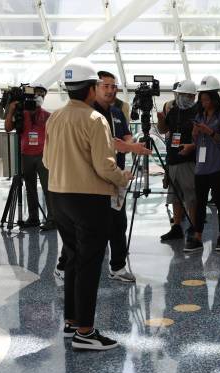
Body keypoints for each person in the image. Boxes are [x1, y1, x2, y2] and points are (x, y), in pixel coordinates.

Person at [44, 57, 133, 351]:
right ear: (91, 88)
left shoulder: (55, 117)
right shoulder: (95, 120)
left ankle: (71, 322)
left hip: (58, 196)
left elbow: (46, 160)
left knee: (71, 258)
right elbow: (104, 167)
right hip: (88, 200)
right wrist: (123, 177)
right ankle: (85, 332)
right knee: (89, 263)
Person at [92, 70, 151, 283]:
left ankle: (117, 267)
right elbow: (108, 142)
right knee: (91, 226)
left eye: (113, 86)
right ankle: (68, 267)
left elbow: (125, 135)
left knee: (118, 223)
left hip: (117, 178)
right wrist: (130, 146)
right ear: (95, 88)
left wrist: (129, 143)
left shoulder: (117, 111)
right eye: (105, 86)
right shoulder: (90, 114)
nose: (110, 90)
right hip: (94, 179)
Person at [185, 76, 220, 252]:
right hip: (201, 167)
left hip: (217, 166)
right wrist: (196, 133)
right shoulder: (199, 116)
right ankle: (198, 236)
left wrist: (210, 131)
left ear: (214, 99)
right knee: (200, 202)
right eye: (202, 99)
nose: (203, 102)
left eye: (206, 99)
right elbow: (195, 141)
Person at [4, 82, 54, 230]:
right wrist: (11, 110)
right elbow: (7, 128)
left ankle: (52, 219)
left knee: (48, 188)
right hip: (26, 155)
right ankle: (33, 218)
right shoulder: (21, 113)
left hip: (43, 155)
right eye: (36, 93)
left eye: (42, 94)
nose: (39, 96)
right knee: (30, 188)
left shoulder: (47, 115)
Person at [157, 80, 199, 242]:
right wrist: (161, 119)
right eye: (178, 95)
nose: (179, 98)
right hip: (173, 157)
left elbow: (203, 138)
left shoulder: (198, 112)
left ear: (192, 96)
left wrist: (192, 146)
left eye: (183, 95)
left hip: (189, 159)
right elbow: (163, 130)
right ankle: (176, 227)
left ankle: (193, 226)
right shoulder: (174, 110)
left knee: (191, 195)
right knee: (174, 195)